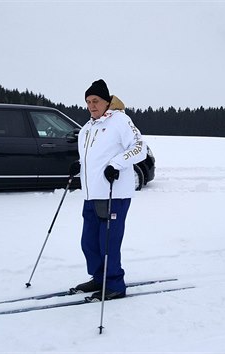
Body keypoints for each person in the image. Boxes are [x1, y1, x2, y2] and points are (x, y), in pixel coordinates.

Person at [68, 79, 147, 300]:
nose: (92, 105)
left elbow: (140, 148)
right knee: (89, 242)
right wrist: (80, 165)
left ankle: (114, 284)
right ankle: (99, 277)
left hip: (115, 194)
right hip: (91, 195)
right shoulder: (86, 129)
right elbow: (94, 157)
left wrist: (117, 164)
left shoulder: (120, 121)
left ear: (107, 101)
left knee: (108, 242)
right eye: (88, 101)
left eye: (96, 100)